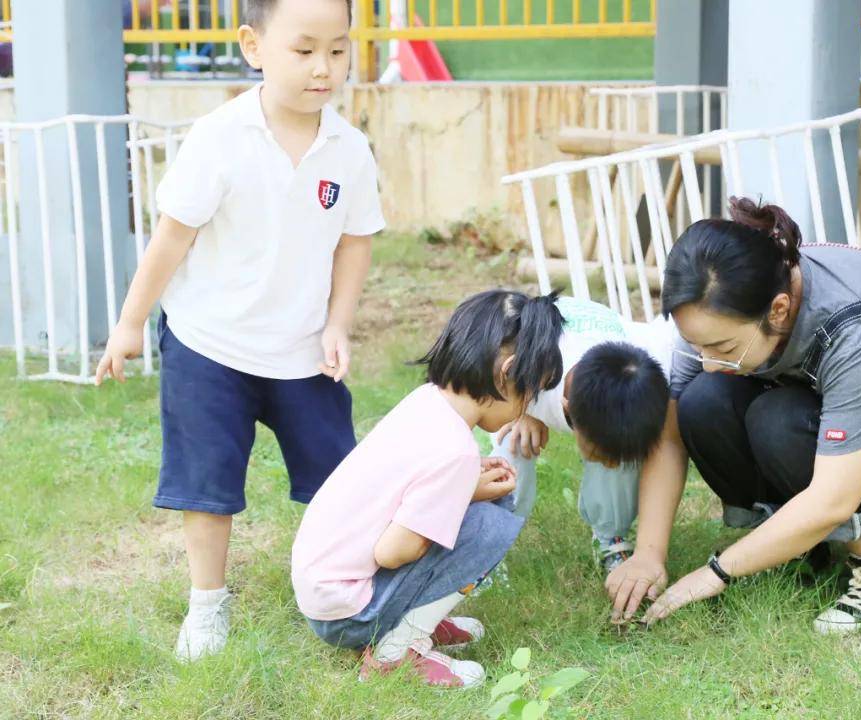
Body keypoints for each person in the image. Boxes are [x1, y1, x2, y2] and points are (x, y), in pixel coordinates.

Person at [95, 0, 382, 661]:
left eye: (337, 51)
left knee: (339, 478)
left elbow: (356, 241)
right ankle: (207, 605)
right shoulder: (219, 137)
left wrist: (339, 323)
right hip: (209, 344)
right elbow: (172, 237)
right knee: (208, 483)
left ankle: (346, 585)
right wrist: (131, 323)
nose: (324, 68)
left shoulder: (349, 148)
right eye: (304, 50)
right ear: (253, 46)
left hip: (303, 349)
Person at [606, 197, 861, 634]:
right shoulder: (717, 308)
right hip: (845, 424)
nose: (709, 360)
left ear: (778, 309)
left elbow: (834, 496)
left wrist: (716, 573)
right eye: (697, 345)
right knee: (704, 399)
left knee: (781, 419)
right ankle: (795, 545)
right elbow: (672, 435)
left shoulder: (857, 325)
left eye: (723, 349)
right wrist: (648, 554)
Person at [291, 290, 565, 689]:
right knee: (490, 526)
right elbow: (393, 551)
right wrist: (456, 499)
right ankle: (396, 650)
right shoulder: (454, 451)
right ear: (507, 374)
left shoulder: (426, 403)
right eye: (531, 394)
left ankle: (415, 618)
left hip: (323, 590)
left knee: (477, 513)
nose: (528, 408)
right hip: (349, 614)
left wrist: (460, 491)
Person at [492, 296, 673, 573]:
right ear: (568, 410)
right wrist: (521, 411)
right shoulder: (535, 371)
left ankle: (610, 536)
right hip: (538, 365)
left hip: (603, 359)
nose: (610, 462)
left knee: (622, 457)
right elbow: (496, 359)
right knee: (512, 440)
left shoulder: (648, 369)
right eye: (600, 453)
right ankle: (491, 543)